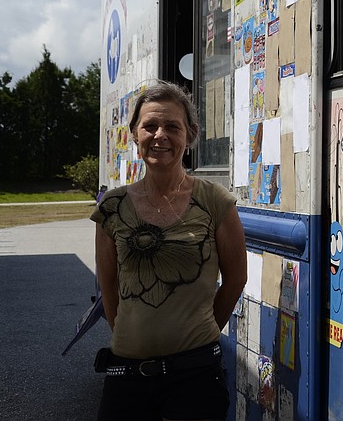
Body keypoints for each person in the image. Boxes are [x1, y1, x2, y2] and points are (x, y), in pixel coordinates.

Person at [91, 81, 247, 421]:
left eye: (172, 127)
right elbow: (108, 286)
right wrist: (131, 335)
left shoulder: (216, 202)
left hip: (195, 374)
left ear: (189, 135)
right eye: (150, 126)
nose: (160, 135)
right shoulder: (111, 209)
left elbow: (236, 278)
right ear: (135, 135)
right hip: (126, 376)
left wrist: (202, 331)